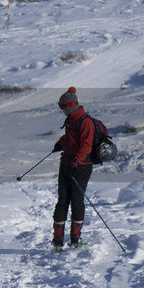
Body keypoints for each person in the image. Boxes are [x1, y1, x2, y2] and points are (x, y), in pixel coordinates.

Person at [50, 86, 94, 248]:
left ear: (69, 106)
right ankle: (58, 241)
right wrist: (60, 144)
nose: (62, 111)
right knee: (63, 200)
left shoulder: (85, 122)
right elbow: (70, 138)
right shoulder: (71, 119)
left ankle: (75, 239)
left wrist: (76, 161)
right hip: (66, 164)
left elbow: (86, 146)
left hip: (81, 167)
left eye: (63, 108)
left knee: (76, 201)